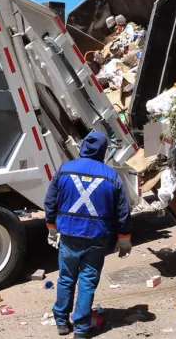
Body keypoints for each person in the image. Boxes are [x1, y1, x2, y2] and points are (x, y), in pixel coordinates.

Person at [44, 131, 131, 338]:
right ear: (102, 151)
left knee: (66, 279)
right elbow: (123, 212)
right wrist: (124, 239)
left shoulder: (65, 170)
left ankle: (61, 323)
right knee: (87, 281)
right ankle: (81, 329)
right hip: (96, 238)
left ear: (83, 148)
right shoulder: (111, 176)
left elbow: (50, 201)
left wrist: (51, 226)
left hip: (69, 236)